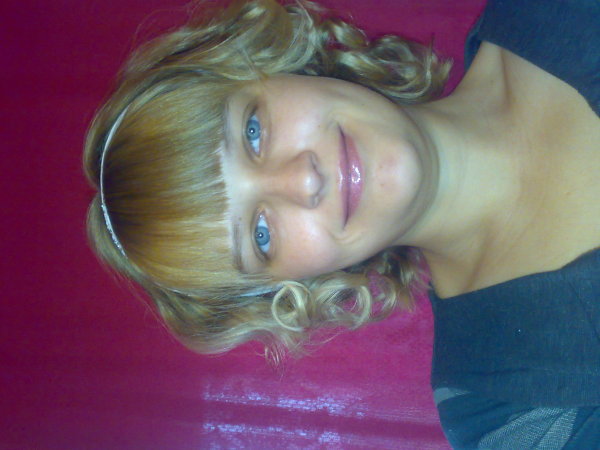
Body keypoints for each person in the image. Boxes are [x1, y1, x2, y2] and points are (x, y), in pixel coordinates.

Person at [84, 0, 599, 447]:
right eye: (261, 235)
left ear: (270, 65)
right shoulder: (510, 414)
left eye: (253, 131)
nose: (303, 179)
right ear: (287, 287)